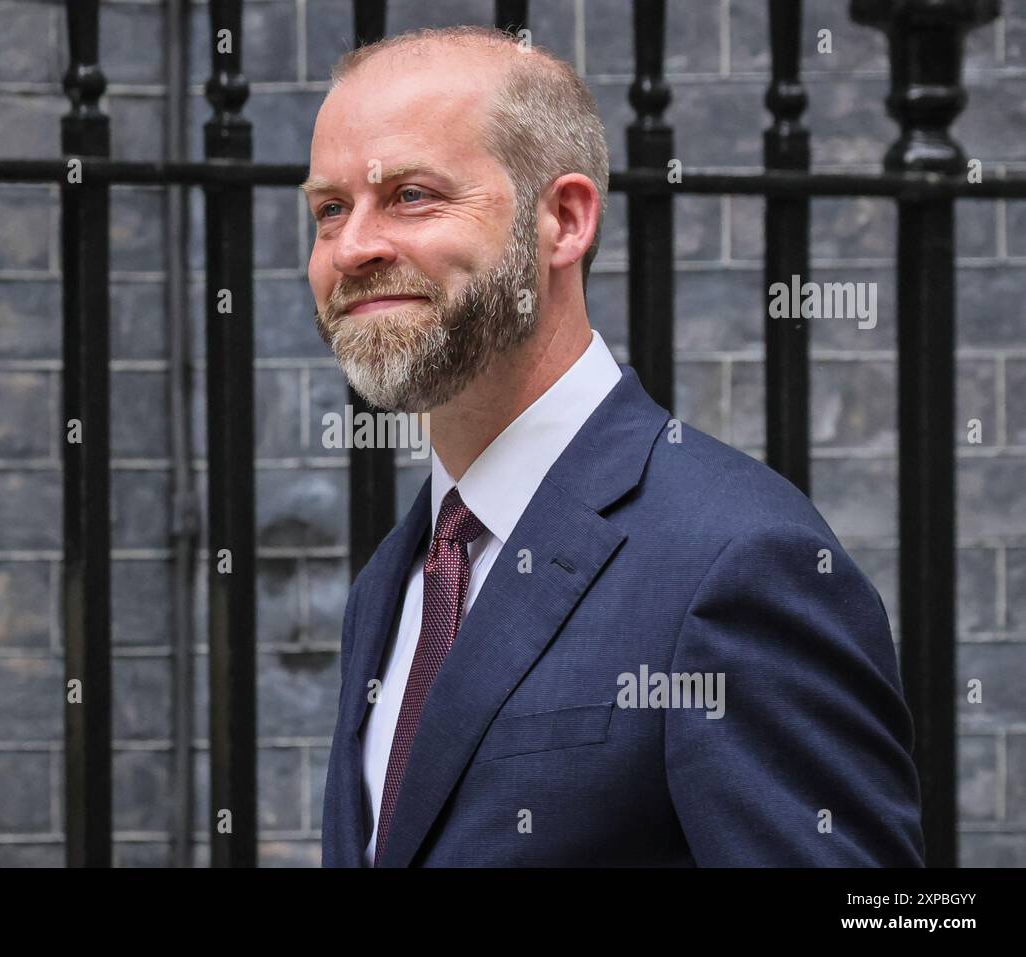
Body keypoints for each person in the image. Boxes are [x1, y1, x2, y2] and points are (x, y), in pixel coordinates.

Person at [302, 25, 923, 867]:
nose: (353, 247)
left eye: (412, 196)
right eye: (330, 208)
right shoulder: (396, 577)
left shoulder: (737, 559)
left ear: (563, 219)